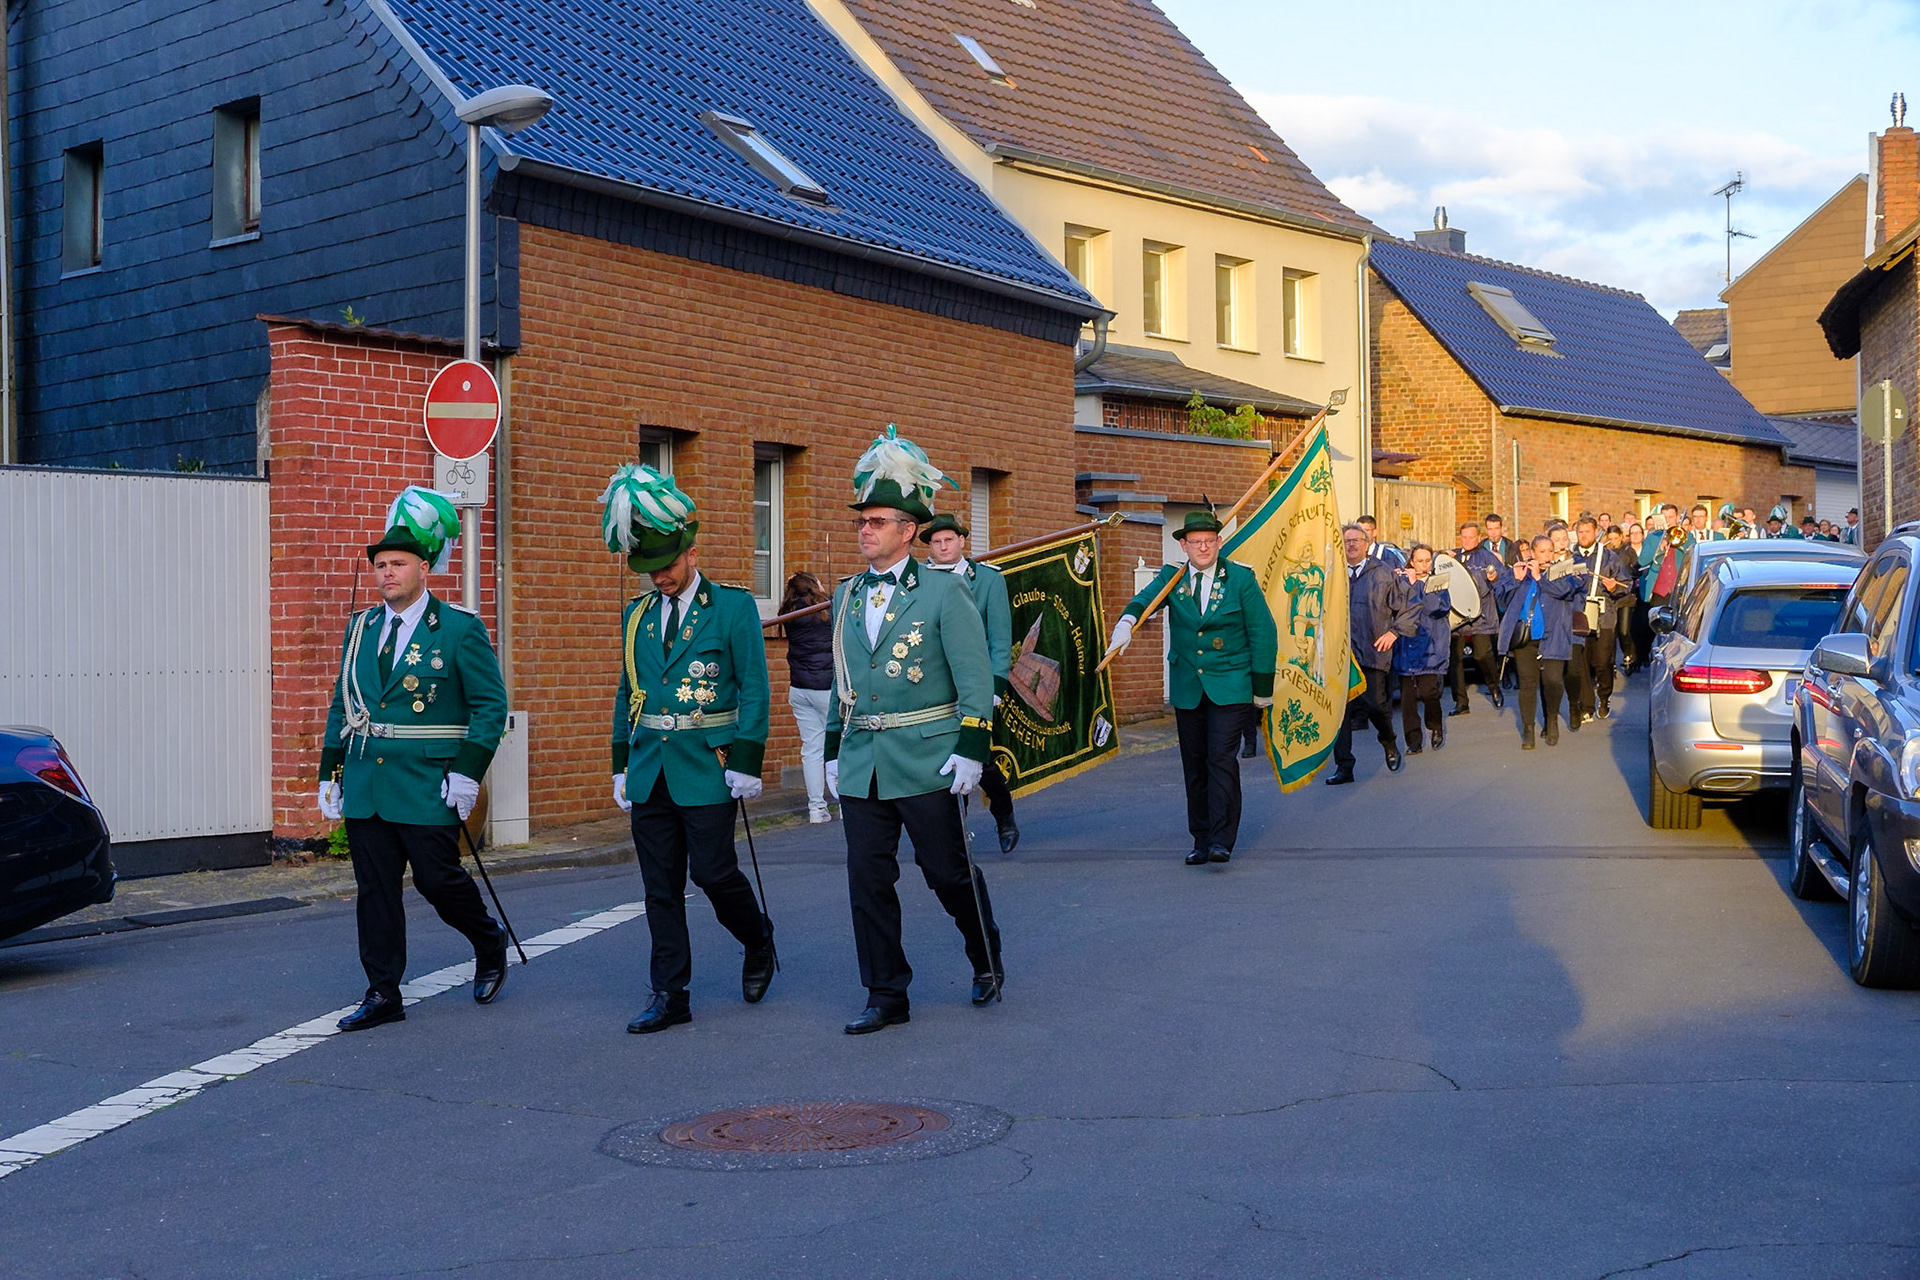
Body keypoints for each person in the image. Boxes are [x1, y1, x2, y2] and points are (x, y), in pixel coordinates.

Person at [825, 427, 1000, 1034]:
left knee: (945, 871)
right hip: (863, 763)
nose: (864, 531)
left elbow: (976, 678)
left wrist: (972, 749)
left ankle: (984, 953)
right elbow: (841, 681)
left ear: (907, 531)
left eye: (876, 521)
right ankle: (885, 993)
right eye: (860, 522)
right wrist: (830, 752)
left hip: (929, 758)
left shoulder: (946, 592)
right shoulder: (845, 596)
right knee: (868, 881)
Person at [318, 487, 511, 1033]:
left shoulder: (458, 628)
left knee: (437, 879)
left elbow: (489, 707)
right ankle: (383, 992)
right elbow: (344, 701)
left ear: (424, 567)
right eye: (379, 565)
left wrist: (468, 773)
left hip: (429, 780)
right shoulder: (361, 629)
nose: (386, 574)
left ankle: (486, 936)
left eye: (398, 564)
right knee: (375, 891)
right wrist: (329, 773)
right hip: (367, 782)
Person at [603, 465, 776, 1035]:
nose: (660, 578)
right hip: (652, 766)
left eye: (668, 565)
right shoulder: (636, 616)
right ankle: (670, 992)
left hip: (709, 764)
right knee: (660, 887)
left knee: (713, 872)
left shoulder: (731, 607)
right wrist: (621, 762)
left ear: (692, 553)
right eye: (650, 570)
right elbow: (628, 690)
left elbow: (754, 684)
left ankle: (757, 937)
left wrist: (748, 759)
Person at [1111, 510, 1278, 863]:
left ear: (1219, 542)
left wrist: (1262, 690)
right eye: (1195, 542)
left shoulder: (1240, 579)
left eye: (1209, 541)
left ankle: (1221, 839)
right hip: (1188, 685)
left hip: (1230, 684)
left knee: (1221, 758)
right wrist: (1127, 622)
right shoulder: (1173, 578)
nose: (1203, 547)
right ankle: (1200, 838)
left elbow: (1263, 633)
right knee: (1195, 762)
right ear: (1184, 545)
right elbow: (1145, 601)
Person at [920, 512, 1019, 853]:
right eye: (936, 541)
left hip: (976, 684)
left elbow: (1000, 638)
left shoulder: (988, 580)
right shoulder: (920, 581)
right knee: (943, 760)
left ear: (962, 541)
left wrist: (993, 686)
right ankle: (956, 835)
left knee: (982, 757)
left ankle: (1003, 812)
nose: (944, 546)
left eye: (949, 540)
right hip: (935, 688)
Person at [1327, 523, 1410, 784]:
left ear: (1366, 543)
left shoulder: (1384, 574)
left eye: (1356, 540)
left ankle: (1389, 742)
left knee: (1375, 705)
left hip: (1373, 653)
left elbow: (1408, 607)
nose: (1351, 545)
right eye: (1347, 541)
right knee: (1339, 713)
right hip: (1340, 655)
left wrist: (1394, 633)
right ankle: (1344, 767)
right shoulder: (1332, 573)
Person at [1495, 535, 1587, 748]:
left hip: (1554, 636)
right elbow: (1501, 599)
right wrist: (1515, 580)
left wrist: (1540, 578)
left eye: (1550, 551)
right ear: (1532, 554)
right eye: (1542, 552)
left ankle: (1551, 719)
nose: (1547, 555)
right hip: (1525, 638)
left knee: (1553, 681)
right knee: (1527, 684)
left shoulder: (1563, 573)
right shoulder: (1520, 572)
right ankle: (1529, 730)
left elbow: (1565, 592)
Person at [780, 572, 835, 824]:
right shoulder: (826, 611)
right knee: (842, 746)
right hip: (826, 687)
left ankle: (816, 808)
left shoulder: (790, 614)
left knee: (811, 749)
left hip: (800, 688)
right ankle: (846, 804)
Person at [1568, 516, 1634, 721]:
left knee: (1603, 661)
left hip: (1604, 616)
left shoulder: (1609, 557)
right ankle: (1586, 705)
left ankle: (1604, 697)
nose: (1583, 535)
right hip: (1579, 615)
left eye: (1587, 531)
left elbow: (1627, 583)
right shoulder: (1571, 558)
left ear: (1596, 532)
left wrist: (1614, 587)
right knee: (1582, 661)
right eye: (1580, 532)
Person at [1393, 545, 1451, 753]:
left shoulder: (1438, 583)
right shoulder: (1401, 582)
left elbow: (1436, 608)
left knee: (1429, 692)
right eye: (1419, 561)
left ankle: (1435, 726)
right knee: (1408, 699)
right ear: (1411, 562)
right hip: (1407, 645)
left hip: (1430, 646)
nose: (1424, 565)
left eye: (1428, 561)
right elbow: (1397, 607)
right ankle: (1413, 741)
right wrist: (1405, 583)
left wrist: (1416, 585)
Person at [1447, 520, 1506, 715]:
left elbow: (1503, 577)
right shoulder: (1453, 557)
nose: (1467, 540)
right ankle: (1461, 702)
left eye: (1471, 537)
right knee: (1455, 659)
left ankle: (1493, 686)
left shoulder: (1487, 557)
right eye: (1464, 537)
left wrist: (1494, 577)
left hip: (1482, 616)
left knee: (1482, 654)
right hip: (1457, 617)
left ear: (1479, 538)